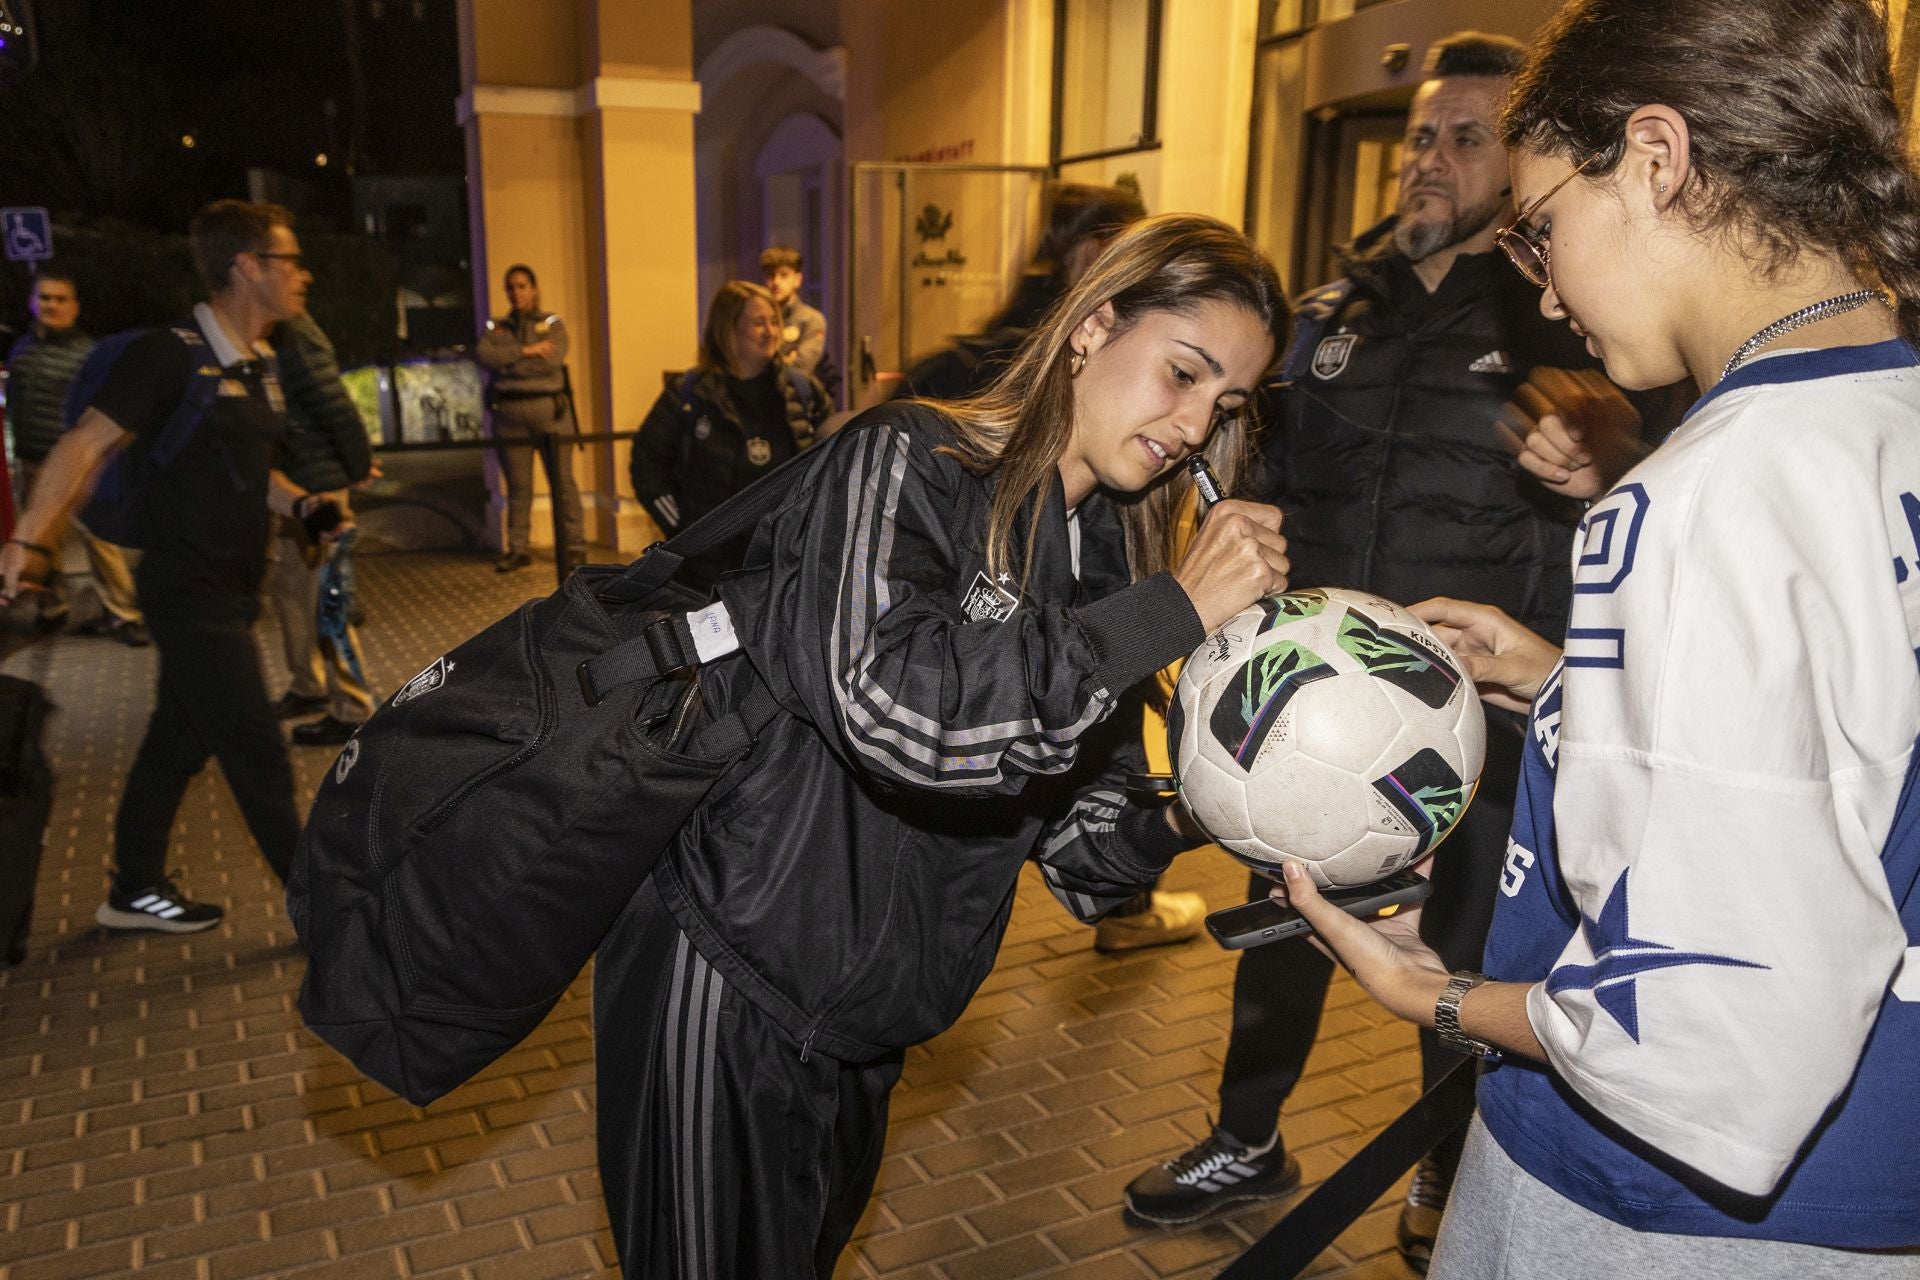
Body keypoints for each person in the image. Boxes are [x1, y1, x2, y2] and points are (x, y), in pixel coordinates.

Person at [1273, 1, 1920, 1275]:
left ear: (1660, 159)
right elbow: (1840, 753)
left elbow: (1712, 1028)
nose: (1548, 288)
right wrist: (1570, 682)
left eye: (1545, 226)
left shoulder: (1700, 492)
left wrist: (1437, 993)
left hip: (1662, 1213)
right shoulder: (1883, 409)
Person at [594, 214, 1292, 1278]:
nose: (1195, 424)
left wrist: (1221, 799)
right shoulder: (910, 459)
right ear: (1094, 324)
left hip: (870, 1016)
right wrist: (1171, 612)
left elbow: (1082, 856)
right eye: (1183, 372)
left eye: (1225, 404)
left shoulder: (1102, 563)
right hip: (735, 966)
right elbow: (894, 712)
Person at [1121, 35, 1651, 1262]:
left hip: (1470, 718)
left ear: (1513, 169)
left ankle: (1446, 1165)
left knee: (1457, 957)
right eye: (1422, 135)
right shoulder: (1334, 304)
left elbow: (1637, 479)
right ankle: (1247, 1138)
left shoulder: (1555, 312)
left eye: (1468, 139)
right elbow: (1263, 466)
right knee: (1286, 931)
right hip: (1305, 710)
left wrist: (1612, 446)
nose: (1432, 159)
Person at [0, 200, 349, 933]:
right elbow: (82, 445)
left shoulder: (257, 366)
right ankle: (331, 920)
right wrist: (29, 541)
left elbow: (247, 475)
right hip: (184, 591)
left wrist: (303, 506)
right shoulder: (168, 354)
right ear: (248, 267)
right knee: (258, 753)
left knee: (176, 744)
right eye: (290, 261)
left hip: (230, 592)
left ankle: (134, 889)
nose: (305, 276)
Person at [628, 279, 828, 587]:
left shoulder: (802, 390)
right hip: (707, 570)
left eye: (774, 321)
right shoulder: (690, 393)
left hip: (783, 563)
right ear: (728, 330)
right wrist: (684, 530)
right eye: (759, 323)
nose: (771, 331)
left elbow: (836, 457)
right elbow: (646, 463)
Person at [895, 181, 1146, 402]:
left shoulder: (1011, 338)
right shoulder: (1051, 351)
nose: (1138, 270)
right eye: (1129, 251)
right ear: (1093, 251)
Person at [2, 267, 147, 644]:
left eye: (60, 299)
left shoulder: (88, 355)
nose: (51, 305)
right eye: (44, 297)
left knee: (98, 538)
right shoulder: (22, 349)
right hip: (32, 458)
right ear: (33, 303)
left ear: (75, 307)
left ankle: (124, 613)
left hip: (76, 464)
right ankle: (54, 605)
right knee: (44, 540)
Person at [265, 309, 376, 747]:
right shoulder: (270, 330)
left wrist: (354, 468)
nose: (300, 276)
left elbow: (335, 407)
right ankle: (308, 686)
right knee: (291, 592)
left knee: (327, 599)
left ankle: (353, 707)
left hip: (315, 485)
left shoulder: (296, 333)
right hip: (292, 481)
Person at [475, 264, 583, 575]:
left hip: (551, 414)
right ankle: (518, 549)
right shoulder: (496, 327)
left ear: (533, 289)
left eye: (522, 286)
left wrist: (511, 361)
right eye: (510, 287)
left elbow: (551, 362)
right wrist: (528, 351)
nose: (516, 292)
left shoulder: (552, 323)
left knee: (563, 484)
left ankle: (574, 547)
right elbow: (485, 356)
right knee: (518, 487)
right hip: (509, 417)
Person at [759, 244, 828, 380]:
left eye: (784, 275)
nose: (776, 282)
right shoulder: (756, 318)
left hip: (795, 398)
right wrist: (787, 360)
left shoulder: (811, 319)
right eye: (770, 275)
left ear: (797, 280)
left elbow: (802, 367)